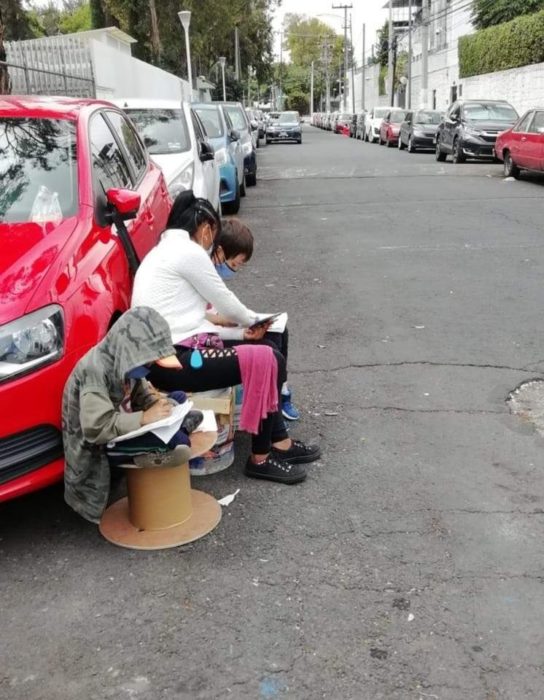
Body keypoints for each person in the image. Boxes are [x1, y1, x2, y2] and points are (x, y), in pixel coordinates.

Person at [131, 191, 321, 484]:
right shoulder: (188, 251)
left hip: (178, 352)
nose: (212, 246)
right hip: (174, 362)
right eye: (213, 236)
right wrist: (251, 321)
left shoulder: (165, 251)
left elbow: (194, 322)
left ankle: (278, 441)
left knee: (267, 347)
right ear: (206, 229)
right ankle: (261, 458)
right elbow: (226, 302)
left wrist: (241, 332)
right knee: (268, 358)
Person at [62, 306, 192, 523]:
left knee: (177, 398)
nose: (149, 366)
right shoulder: (94, 371)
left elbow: (141, 394)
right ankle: (175, 433)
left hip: (124, 421)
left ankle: (175, 427)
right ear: (132, 352)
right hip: (102, 444)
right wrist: (144, 418)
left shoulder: (124, 359)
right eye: (148, 361)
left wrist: (157, 404)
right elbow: (96, 429)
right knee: (179, 442)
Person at [211, 218, 301, 421]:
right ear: (220, 252)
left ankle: (281, 392)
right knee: (270, 347)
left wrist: (245, 320)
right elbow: (212, 318)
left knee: (279, 330)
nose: (234, 269)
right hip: (208, 339)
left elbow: (225, 309)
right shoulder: (205, 273)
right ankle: (274, 409)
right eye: (234, 264)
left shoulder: (211, 272)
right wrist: (243, 327)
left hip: (219, 329)